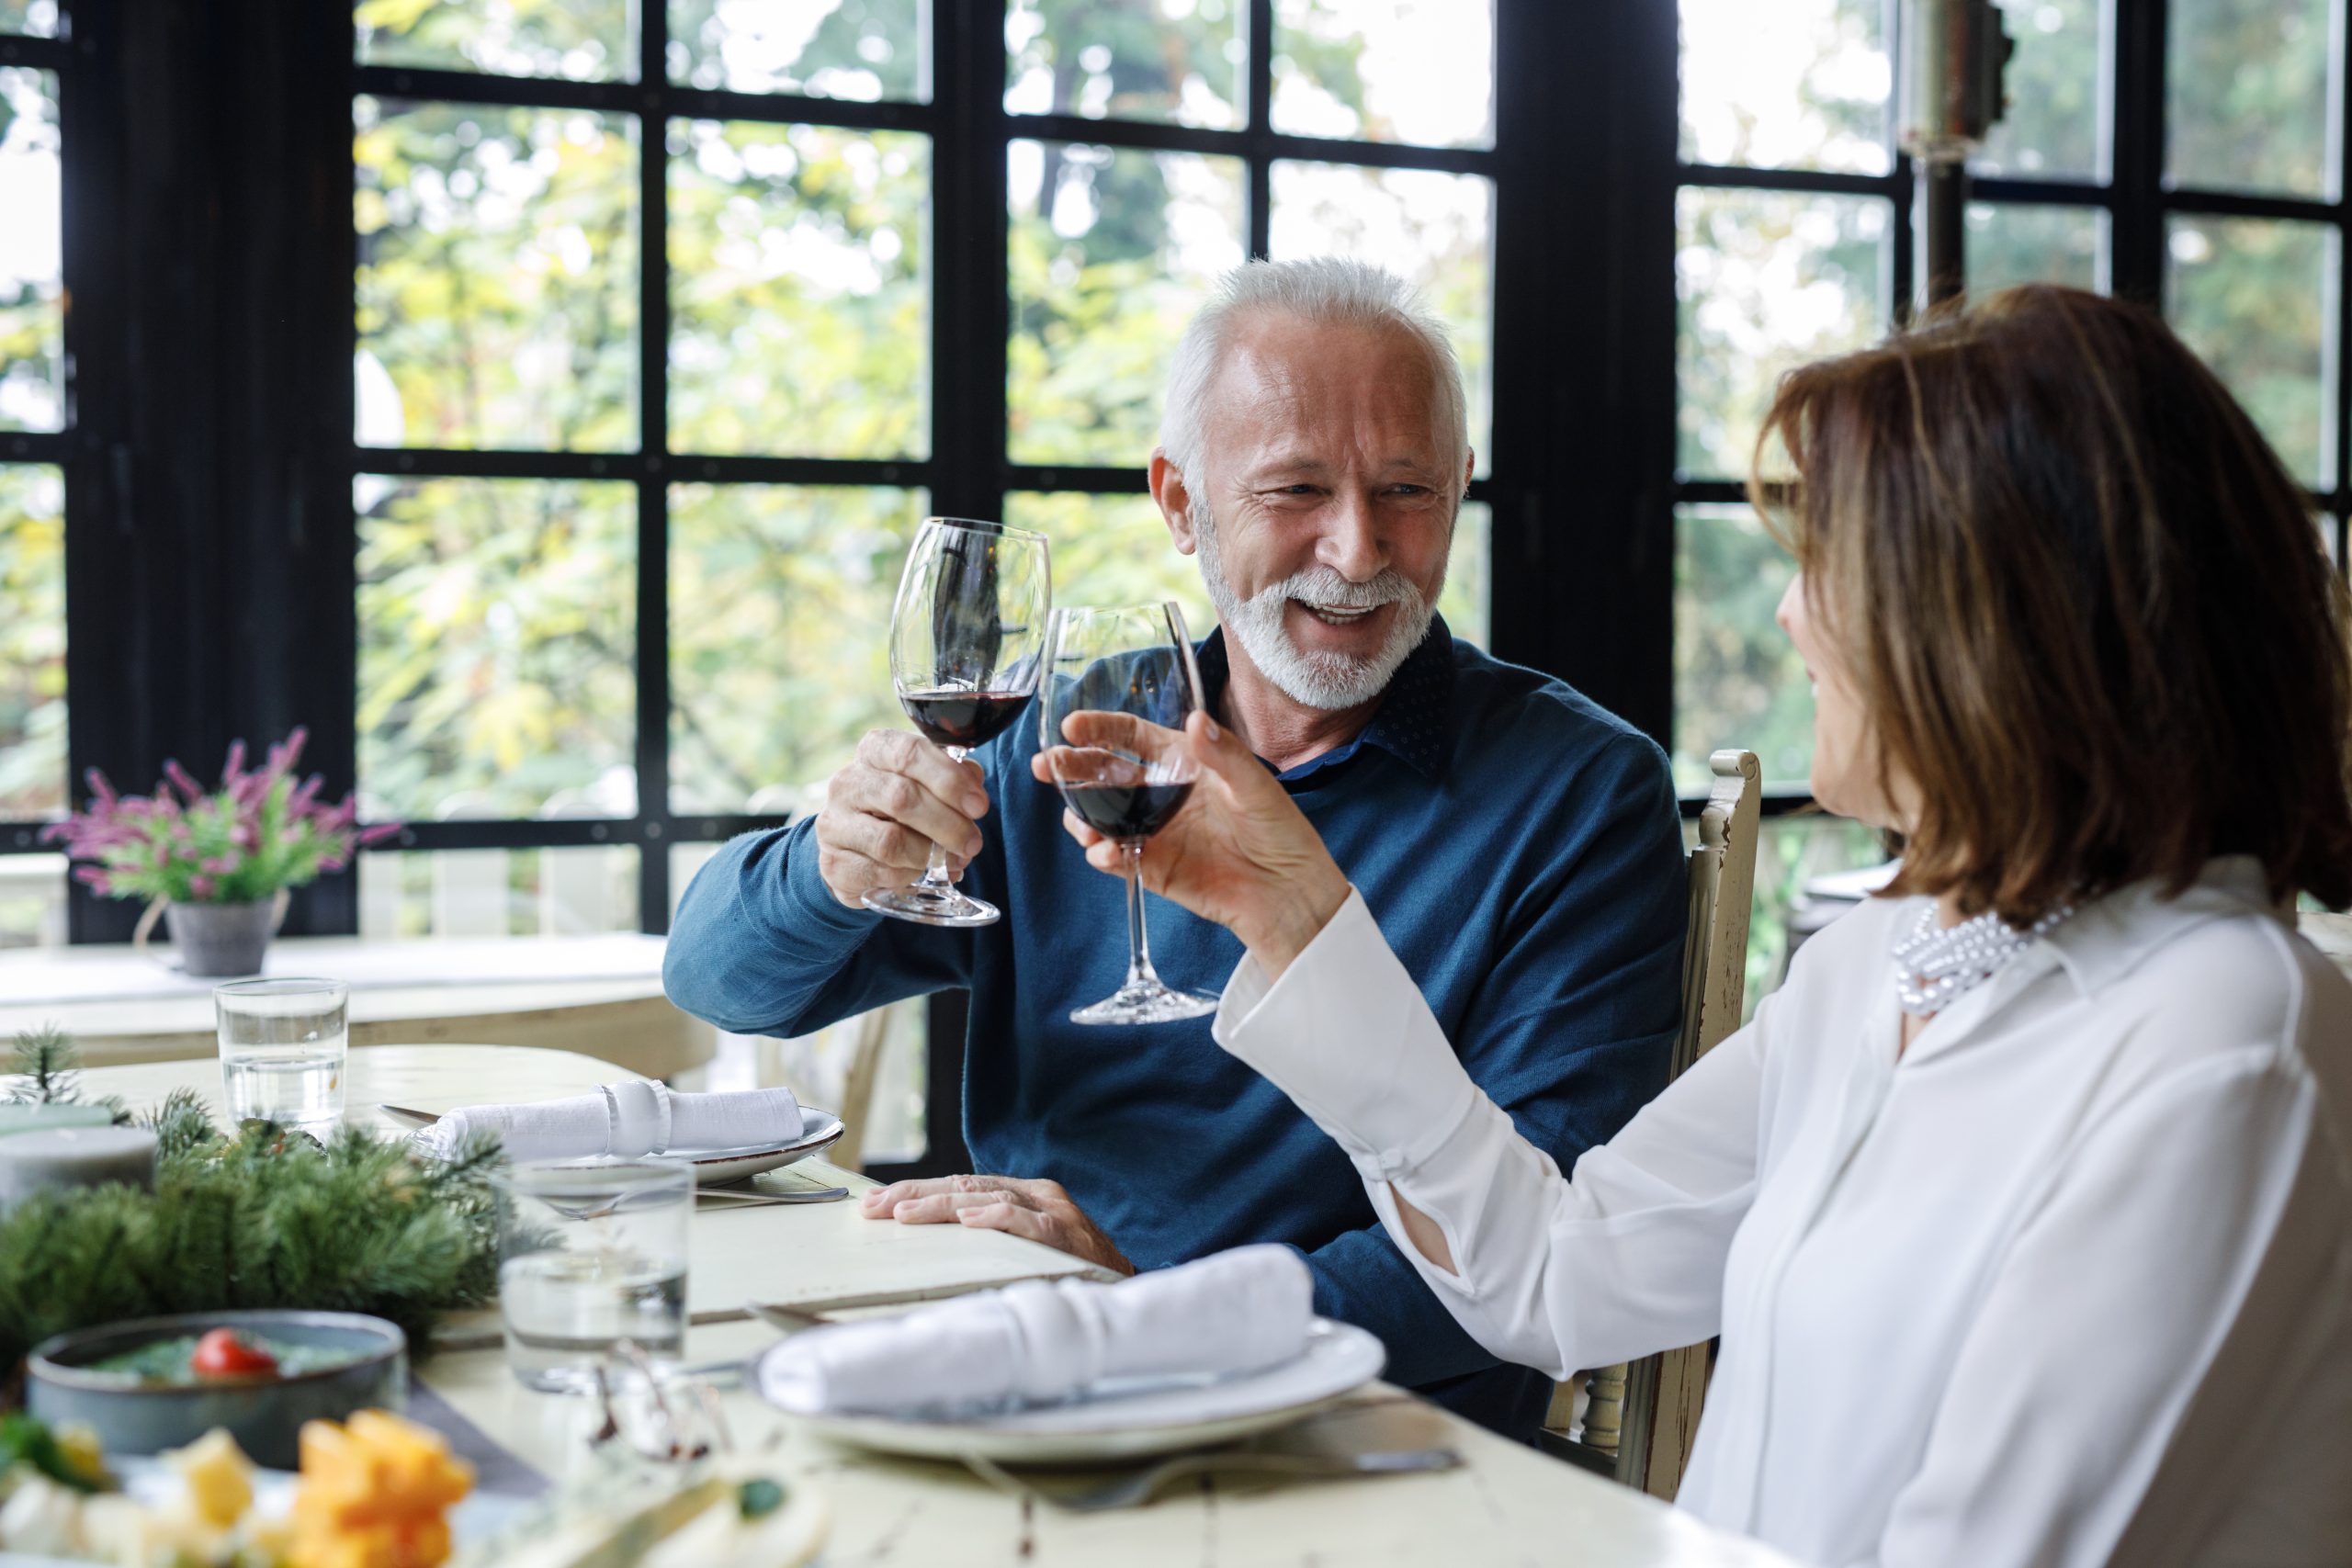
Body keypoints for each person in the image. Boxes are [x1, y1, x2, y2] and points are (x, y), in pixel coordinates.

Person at [1048, 285, 2352, 1563]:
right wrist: (1299, 912)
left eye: (1828, 564)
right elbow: (1553, 1276)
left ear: (2006, 627)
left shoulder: (2230, 1040)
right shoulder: (1876, 964)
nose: (1789, 613)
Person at [662, 258, 1689, 1439]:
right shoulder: (1069, 737)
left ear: (1460, 486)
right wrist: (829, 864)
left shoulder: (1577, 791)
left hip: (1355, 1438)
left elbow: (1532, 1245)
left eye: (1406, 490)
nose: (1357, 551)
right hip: (1022, 1373)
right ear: (1179, 503)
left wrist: (1150, 1314)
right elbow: (716, 981)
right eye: (1295, 488)